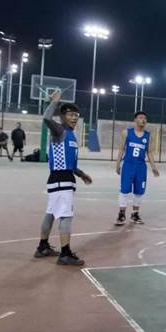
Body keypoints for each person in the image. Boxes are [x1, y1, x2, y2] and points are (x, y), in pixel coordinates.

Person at [33, 91, 93, 265]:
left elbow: (70, 164)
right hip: (61, 180)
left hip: (62, 178)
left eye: (76, 115)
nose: (74, 118)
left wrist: (81, 174)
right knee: (66, 216)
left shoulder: (71, 135)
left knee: (51, 214)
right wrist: (54, 102)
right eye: (70, 114)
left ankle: (42, 247)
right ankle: (65, 254)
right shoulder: (60, 131)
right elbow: (46, 118)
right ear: (62, 116)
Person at [115, 111, 160, 225]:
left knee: (139, 191)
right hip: (128, 165)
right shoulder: (126, 133)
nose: (143, 120)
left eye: (145, 118)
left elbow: (149, 152)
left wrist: (153, 167)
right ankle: (121, 214)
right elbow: (121, 149)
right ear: (135, 120)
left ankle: (135, 214)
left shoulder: (148, 136)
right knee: (124, 189)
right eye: (140, 117)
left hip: (141, 167)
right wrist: (118, 164)